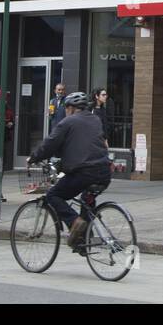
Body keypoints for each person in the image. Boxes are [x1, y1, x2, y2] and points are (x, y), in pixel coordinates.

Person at [30, 91, 110, 249]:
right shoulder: (95, 119)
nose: (65, 111)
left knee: (53, 195)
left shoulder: (68, 122)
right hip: (104, 172)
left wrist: (33, 157)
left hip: (84, 172)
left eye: (66, 108)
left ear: (72, 108)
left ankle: (75, 222)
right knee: (87, 200)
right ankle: (84, 238)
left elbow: (50, 144)